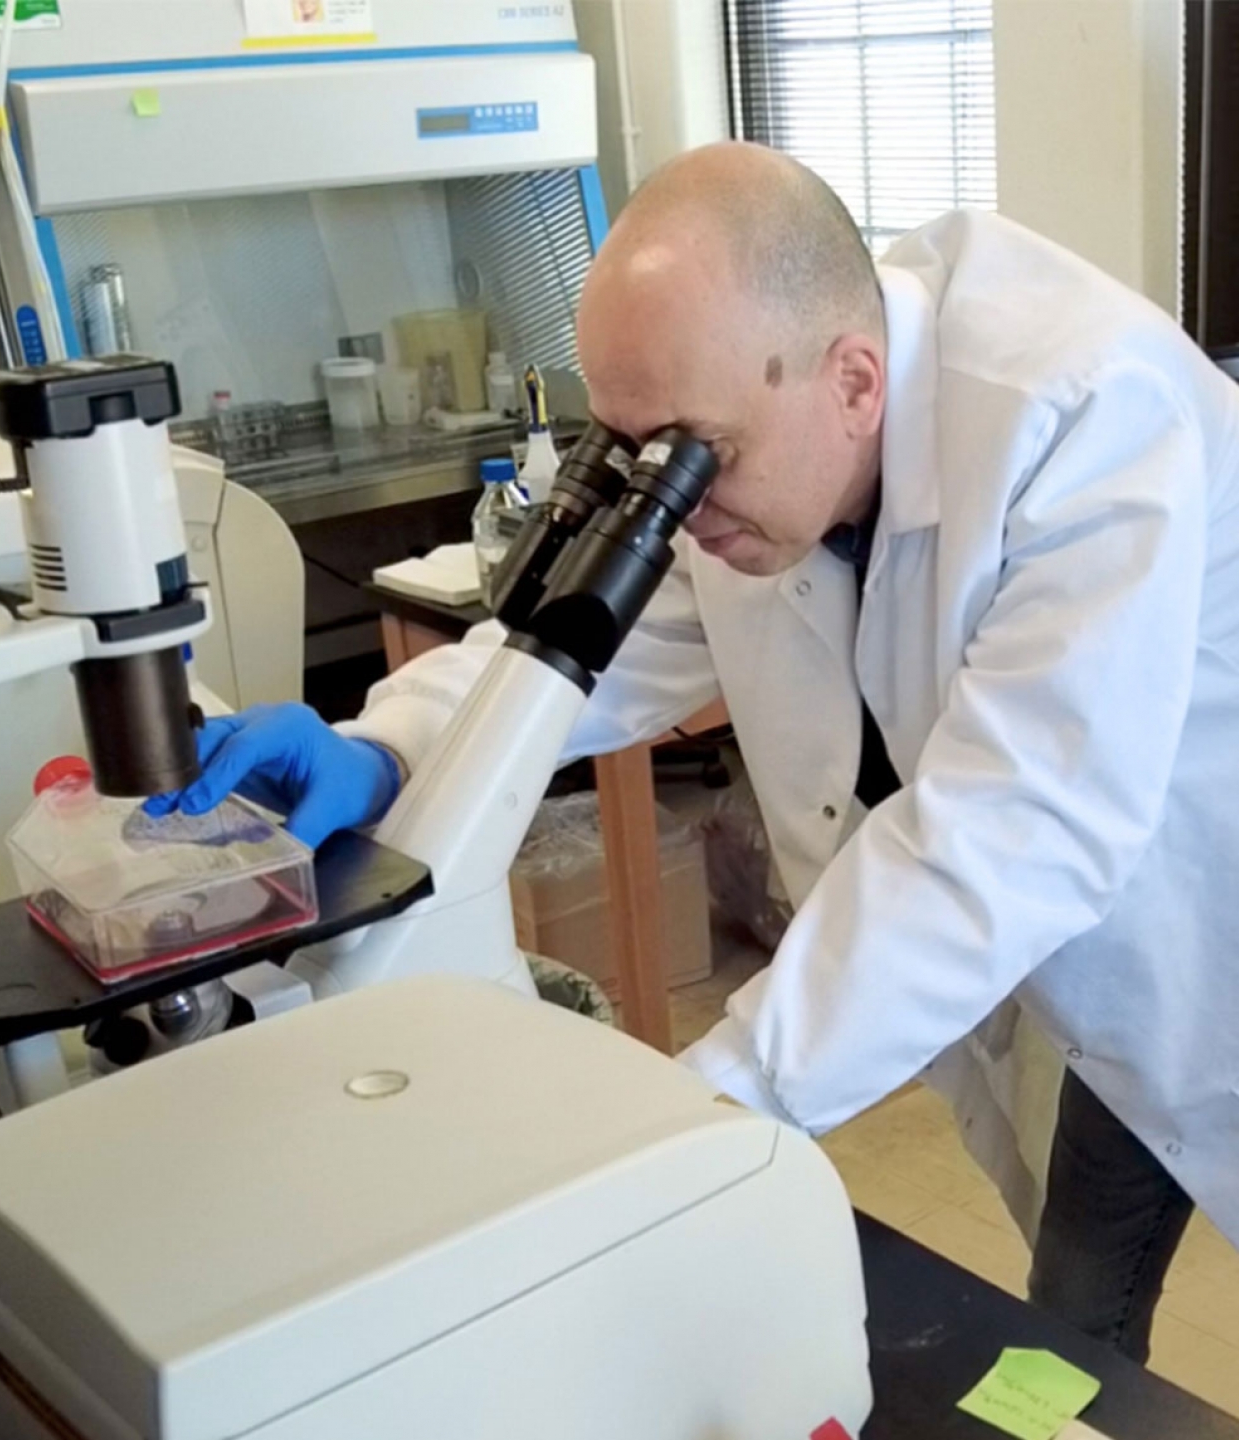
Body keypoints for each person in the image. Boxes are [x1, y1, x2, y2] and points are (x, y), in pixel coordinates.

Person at [149, 142, 1239, 1363]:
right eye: (633, 454)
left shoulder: (1088, 416)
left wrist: (714, 1101)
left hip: (1209, 936)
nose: (670, 506)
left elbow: (1013, 838)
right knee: (1078, 1330)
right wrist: (384, 746)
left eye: (693, 458)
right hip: (1102, 985)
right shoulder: (771, 444)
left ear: (856, 384)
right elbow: (584, 651)